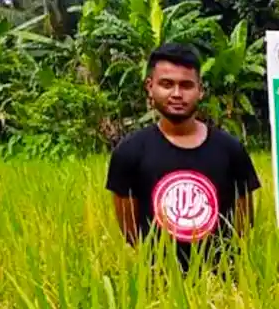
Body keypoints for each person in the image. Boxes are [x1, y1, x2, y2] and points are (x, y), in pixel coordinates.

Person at [106, 43, 261, 272]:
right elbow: (130, 230)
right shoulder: (129, 152)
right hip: (158, 285)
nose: (177, 94)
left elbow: (243, 223)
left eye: (186, 85)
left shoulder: (231, 149)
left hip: (224, 285)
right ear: (150, 87)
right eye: (166, 84)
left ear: (200, 90)